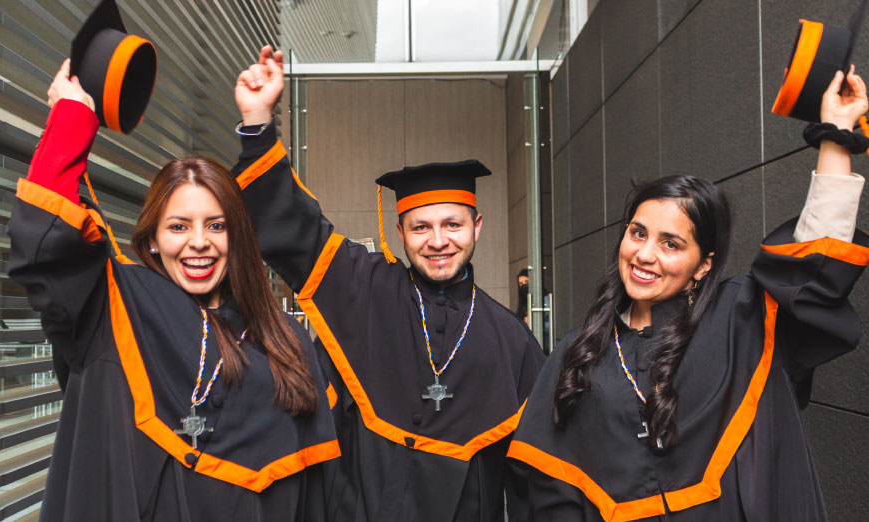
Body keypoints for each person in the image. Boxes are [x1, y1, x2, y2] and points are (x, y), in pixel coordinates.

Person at [507, 66, 869, 521]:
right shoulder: (575, 354)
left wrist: (836, 137)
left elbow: (816, 261)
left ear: (704, 264)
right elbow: (545, 489)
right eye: (637, 233)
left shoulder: (741, 323)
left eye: (671, 243)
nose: (645, 254)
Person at [8, 59, 339, 521]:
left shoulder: (285, 341)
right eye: (179, 226)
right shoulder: (114, 310)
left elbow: (319, 496)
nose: (198, 242)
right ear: (152, 240)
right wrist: (70, 116)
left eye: (217, 225)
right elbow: (47, 238)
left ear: (239, 237)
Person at [231, 46, 546, 522]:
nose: (438, 241)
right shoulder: (365, 286)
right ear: (400, 233)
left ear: (477, 226)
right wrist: (258, 121)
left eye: (452, 225)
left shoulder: (513, 343)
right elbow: (295, 231)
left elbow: (531, 481)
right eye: (420, 227)